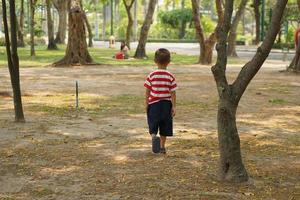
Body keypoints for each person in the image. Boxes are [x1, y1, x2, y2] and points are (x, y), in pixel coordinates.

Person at [144, 48, 177, 154]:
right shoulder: (170, 76)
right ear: (169, 62)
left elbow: (147, 91)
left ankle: (154, 135)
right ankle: (162, 147)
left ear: (155, 61)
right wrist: (174, 106)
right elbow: (173, 93)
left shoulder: (152, 75)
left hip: (154, 104)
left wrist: (146, 104)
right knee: (165, 125)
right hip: (166, 105)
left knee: (153, 122)